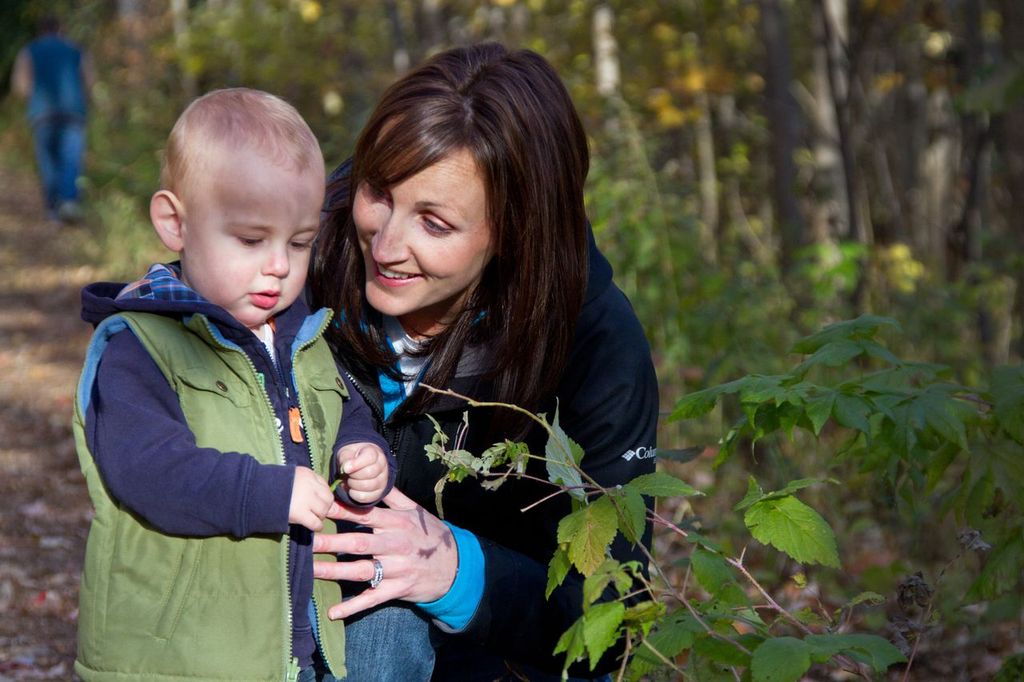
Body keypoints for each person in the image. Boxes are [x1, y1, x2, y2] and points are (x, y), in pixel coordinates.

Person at [308, 43, 659, 680]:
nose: (386, 245)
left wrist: (457, 572)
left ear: (515, 232)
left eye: (434, 224)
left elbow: (613, 620)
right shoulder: (303, 246)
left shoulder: (596, 343)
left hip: (493, 648)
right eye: (378, 193)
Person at [71, 88, 395, 682]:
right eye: (251, 240)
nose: (279, 265)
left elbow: (338, 415)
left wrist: (363, 450)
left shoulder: (305, 339)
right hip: (171, 660)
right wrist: (265, 493)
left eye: (299, 243)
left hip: (285, 651)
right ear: (175, 223)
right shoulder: (139, 347)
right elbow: (147, 469)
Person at [12, 15, 94, 222]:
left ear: (41, 30)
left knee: (48, 160)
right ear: (61, 29)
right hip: (73, 112)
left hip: (42, 113)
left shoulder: (29, 51)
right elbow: (90, 80)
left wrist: (34, 97)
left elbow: (20, 86)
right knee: (70, 158)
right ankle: (68, 201)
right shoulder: (76, 50)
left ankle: (52, 208)